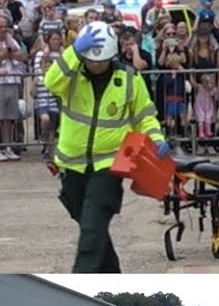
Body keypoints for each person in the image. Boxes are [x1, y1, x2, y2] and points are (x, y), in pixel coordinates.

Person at [43, 21, 168, 273]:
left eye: (101, 61)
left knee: (93, 225)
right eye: (91, 60)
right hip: (72, 164)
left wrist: (156, 137)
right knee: (90, 224)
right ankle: (111, 275)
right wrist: (73, 52)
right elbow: (50, 82)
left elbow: (144, 116)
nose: (96, 65)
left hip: (109, 165)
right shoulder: (72, 74)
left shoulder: (129, 78)